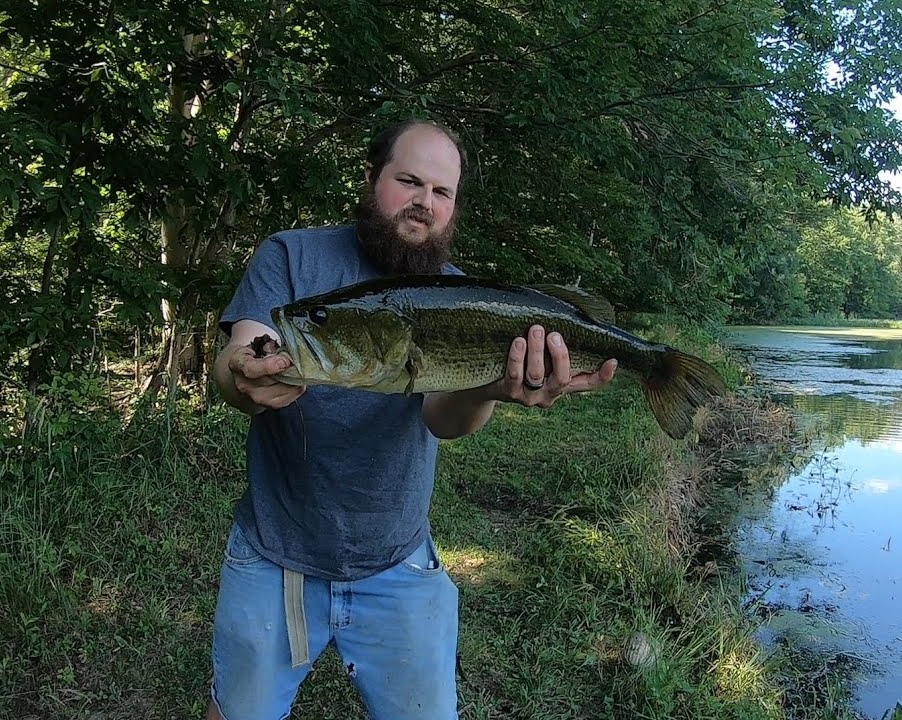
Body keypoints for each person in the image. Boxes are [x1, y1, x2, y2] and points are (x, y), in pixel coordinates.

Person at [207, 119, 618, 720]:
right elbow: (246, 351)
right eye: (409, 181)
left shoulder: (457, 292)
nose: (425, 203)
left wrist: (495, 389)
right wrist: (240, 375)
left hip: (397, 556)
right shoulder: (292, 256)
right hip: (276, 550)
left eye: (442, 192)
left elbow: (444, 421)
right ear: (372, 177)